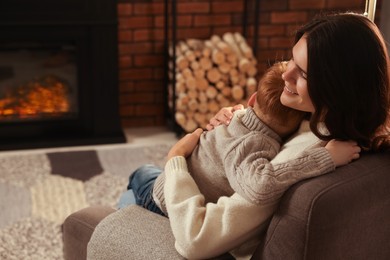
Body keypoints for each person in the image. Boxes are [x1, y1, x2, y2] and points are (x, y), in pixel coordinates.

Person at [122, 12, 390, 259]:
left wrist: (176, 158)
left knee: (138, 180)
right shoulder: (335, 125)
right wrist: (237, 120)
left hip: (180, 198)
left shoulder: (309, 151)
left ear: (338, 87)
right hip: (200, 178)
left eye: (303, 73)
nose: (287, 74)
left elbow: (197, 239)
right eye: (291, 61)